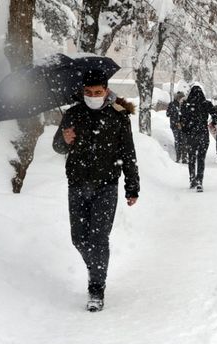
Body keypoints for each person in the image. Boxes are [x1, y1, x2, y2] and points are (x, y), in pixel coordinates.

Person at [52, 69, 140, 312]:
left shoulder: (118, 116)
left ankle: (96, 288)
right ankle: (97, 268)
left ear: (106, 92)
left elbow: (128, 154)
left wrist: (132, 187)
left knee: (99, 238)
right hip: (77, 184)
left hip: (106, 186)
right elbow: (58, 147)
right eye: (88, 92)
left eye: (97, 92)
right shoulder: (72, 114)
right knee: (79, 238)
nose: (93, 96)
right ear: (83, 92)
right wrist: (64, 139)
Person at [181, 85, 217, 192]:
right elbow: (216, 115)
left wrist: (185, 129)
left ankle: (192, 178)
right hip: (203, 133)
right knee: (201, 158)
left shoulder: (186, 105)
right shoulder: (206, 104)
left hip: (191, 134)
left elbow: (181, 119)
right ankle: (199, 181)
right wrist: (213, 122)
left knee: (191, 157)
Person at [166, 91, 186, 163]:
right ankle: (178, 157)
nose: (181, 99)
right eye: (180, 97)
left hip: (183, 125)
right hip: (175, 125)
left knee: (184, 141)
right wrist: (174, 112)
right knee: (178, 140)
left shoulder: (185, 104)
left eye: (182, 98)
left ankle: (184, 157)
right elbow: (167, 114)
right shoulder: (172, 104)